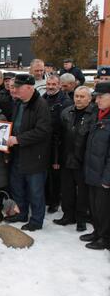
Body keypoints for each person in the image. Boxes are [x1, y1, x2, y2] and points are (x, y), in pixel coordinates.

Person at [6, 74, 52, 231]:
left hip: (34, 156)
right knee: (17, 186)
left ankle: (37, 220)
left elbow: (43, 131)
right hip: (18, 153)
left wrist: (18, 139)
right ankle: (22, 213)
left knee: (35, 190)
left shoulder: (41, 105)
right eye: (14, 87)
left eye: (18, 88)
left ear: (29, 88)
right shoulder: (18, 103)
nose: (15, 90)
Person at [54, 86, 96, 232]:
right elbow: (58, 137)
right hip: (66, 158)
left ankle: (81, 219)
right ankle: (68, 215)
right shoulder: (66, 112)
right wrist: (57, 159)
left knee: (83, 192)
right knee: (66, 190)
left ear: (89, 99)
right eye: (77, 96)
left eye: (82, 96)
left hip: (84, 160)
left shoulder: (94, 114)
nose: (78, 99)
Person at [81, 82, 110, 250]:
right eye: (96, 97)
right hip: (93, 170)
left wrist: (107, 178)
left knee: (104, 208)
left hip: (104, 175)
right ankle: (98, 232)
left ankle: (105, 238)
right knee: (95, 207)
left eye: (101, 97)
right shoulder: (99, 115)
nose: (96, 100)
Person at [42, 74, 72, 214]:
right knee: (46, 173)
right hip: (45, 141)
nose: (51, 87)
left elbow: (64, 126)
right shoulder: (43, 98)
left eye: (54, 84)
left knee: (56, 174)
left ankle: (55, 201)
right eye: (49, 84)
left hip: (58, 143)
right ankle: (48, 198)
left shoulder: (65, 102)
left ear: (59, 85)